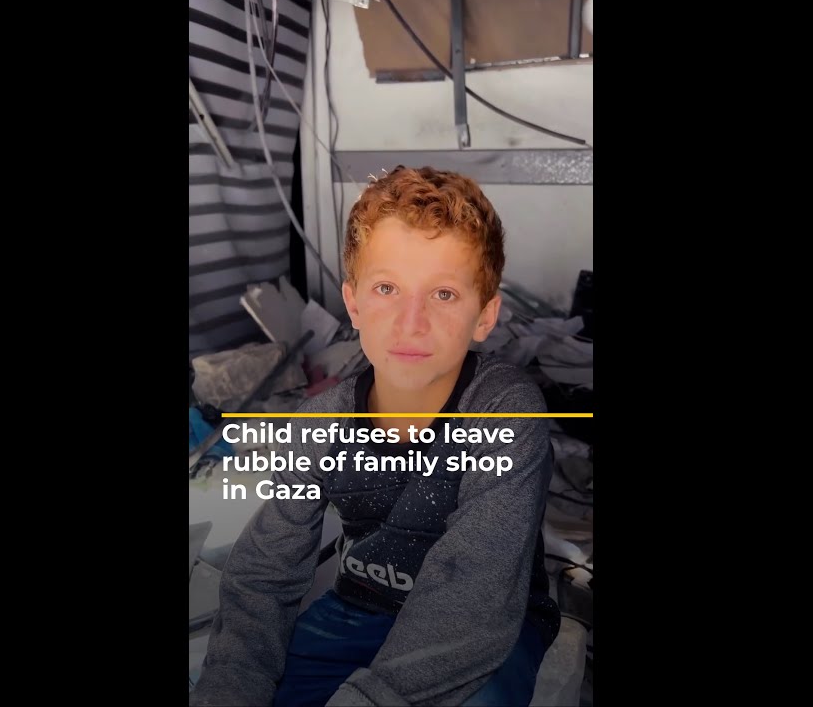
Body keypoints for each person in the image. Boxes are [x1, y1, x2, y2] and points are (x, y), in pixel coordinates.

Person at [190, 166, 559, 707]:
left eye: (444, 294)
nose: (411, 323)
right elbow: (264, 575)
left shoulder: (506, 413)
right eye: (387, 288)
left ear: (485, 315)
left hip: (489, 630)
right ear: (354, 303)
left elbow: (473, 587)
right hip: (357, 608)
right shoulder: (321, 423)